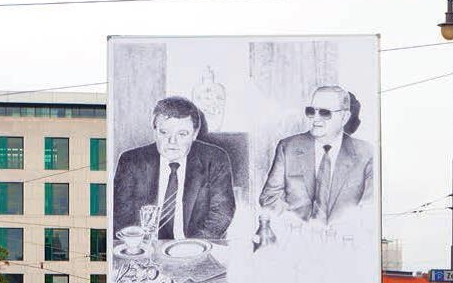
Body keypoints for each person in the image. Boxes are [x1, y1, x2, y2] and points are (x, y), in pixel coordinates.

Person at [113, 96, 236, 240]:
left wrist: (191, 248)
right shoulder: (131, 161)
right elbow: (120, 215)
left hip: (195, 247)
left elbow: (222, 213)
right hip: (145, 247)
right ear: (155, 130)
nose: (172, 142)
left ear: (195, 134)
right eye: (164, 133)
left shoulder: (215, 159)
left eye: (182, 134)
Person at [259, 85, 374, 225]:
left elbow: (369, 208)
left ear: (344, 117)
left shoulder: (366, 153)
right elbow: (269, 198)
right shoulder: (288, 147)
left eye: (325, 113)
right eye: (311, 111)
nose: (315, 119)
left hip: (345, 240)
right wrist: (298, 226)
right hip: (297, 238)